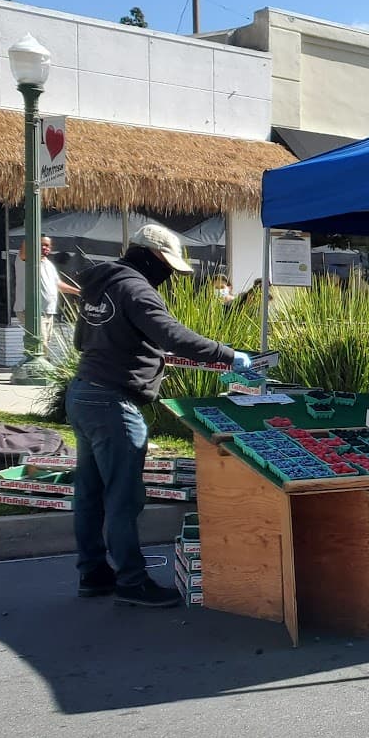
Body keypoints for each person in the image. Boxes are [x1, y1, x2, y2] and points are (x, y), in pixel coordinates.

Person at [70, 224, 251, 608]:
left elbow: (82, 341)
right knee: (123, 496)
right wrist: (228, 355)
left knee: (89, 492)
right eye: (168, 266)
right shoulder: (136, 288)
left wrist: (138, 352)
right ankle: (132, 582)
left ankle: (93, 573)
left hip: (84, 392)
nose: (169, 275)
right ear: (152, 257)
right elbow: (171, 335)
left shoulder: (100, 283)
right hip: (113, 401)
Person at [14, 235, 80, 347]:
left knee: (45, 344)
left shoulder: (49, 264)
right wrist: (34, 234)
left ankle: (41, 364)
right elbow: (25, 247)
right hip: (31, 311)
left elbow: (58, 285)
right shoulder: (25, 260)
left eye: (48, 245)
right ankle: (36, 364)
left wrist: (79, 292)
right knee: (39, 344)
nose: (45, 248)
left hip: (48, 311)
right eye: (42, 245)